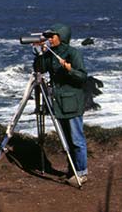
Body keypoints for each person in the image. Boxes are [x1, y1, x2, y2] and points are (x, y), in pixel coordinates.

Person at [36, 23, 88, 186]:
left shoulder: (73, 53)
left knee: (76, 140)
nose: (50, 39)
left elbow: (82, 76)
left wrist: (69, 70)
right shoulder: (51, 53)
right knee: (66, 139)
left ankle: (81, 172)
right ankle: (71, 170)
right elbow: (40, 68)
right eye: (49, 36)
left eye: (53, 36)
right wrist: (40, 54)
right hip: (58, 102)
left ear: (62, 36)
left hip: (72, 103)